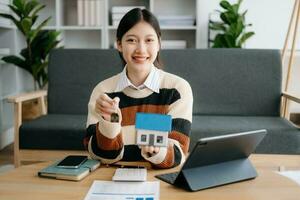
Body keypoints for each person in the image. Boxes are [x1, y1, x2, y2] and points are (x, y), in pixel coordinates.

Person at [84, 8, 193, 169]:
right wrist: (111, 122)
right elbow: (99, 156)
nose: (141, 49)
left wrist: (155, 151)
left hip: (156, 177)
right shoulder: (104, 91)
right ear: (119, 44)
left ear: (159, 44)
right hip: (111, 175)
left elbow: (178, 153)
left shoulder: (176, 89)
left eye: (149, 40)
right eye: (131, 40)